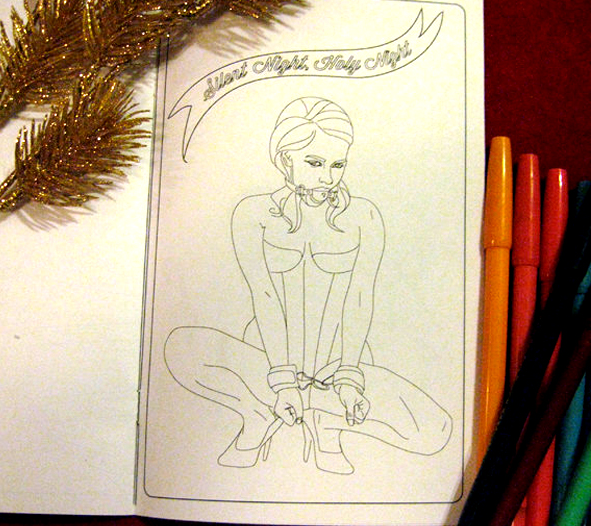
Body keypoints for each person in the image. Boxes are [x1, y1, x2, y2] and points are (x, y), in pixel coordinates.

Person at [165, 97, 451, 474]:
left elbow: (360, 298)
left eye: (337, 165)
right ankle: (264, 409)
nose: (328, 177)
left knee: (434, 431)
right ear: (285, 160)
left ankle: (323, 418)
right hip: (265, 357)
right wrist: (282, 379)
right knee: (180, 347)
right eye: (315, 163)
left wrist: (349, 377)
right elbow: (264, 295)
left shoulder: (363, 216)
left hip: (342, 362)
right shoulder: (253, 213)